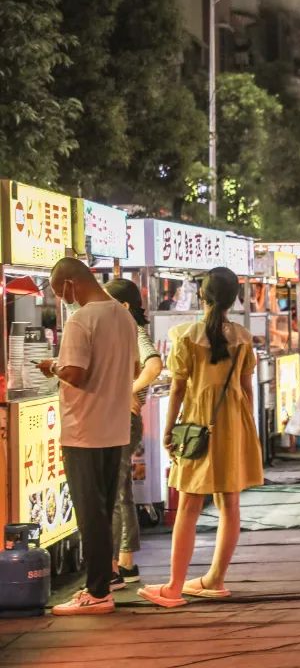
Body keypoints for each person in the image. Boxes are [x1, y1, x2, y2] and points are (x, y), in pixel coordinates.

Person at [138, 268, 264, 608]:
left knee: (189, 505)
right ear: (234, 298)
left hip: (198, 423)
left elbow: (178, 389)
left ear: (202, 296)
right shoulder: (243, 337)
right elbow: (247, 389)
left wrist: (168, 430)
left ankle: (175, 587)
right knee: (230, 504)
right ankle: (215, 580)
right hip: (235, 423)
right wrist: (247, 431)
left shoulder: (185, 335)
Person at [38, 259, 139, 615]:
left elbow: (76, 374)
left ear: (70, 283)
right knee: (103, 506)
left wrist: (52, 367)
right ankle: (104, 583)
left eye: (59, 293)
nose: (62, 300)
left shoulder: (82, 320)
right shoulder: (123, 316)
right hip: (114, 427)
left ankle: (97, 593)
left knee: (90, 514)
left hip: (84, 429)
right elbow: (136, 367)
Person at [103, 278, 164, 589]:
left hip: (123, 421)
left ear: (123, 307)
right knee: (122, 492)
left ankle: (113, 566)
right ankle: (125, 563)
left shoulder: (135, 332)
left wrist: (127, 390)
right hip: (122, 420)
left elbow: (154, 365)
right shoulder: (120, 331)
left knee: (114, 492)